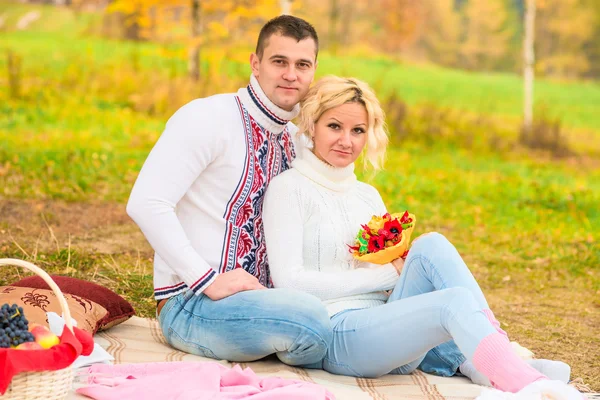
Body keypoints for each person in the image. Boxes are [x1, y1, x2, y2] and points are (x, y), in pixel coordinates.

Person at [262, 75, 580, 397]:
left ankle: (489, 358)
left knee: (431, 244)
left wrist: (394, 272)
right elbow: (291, 283)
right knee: (452, 302)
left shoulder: (367, 195)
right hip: (340, 334)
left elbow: (391, 272)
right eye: (334, 127)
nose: (347, 140)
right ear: (311, 125)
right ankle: (524, 384)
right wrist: (385, 275)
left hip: (388, 320)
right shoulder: (289, 189)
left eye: (358, 130)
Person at [126, 15, 333, 366]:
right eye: (279, 61)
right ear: (255, 63)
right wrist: (206, 280)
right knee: (313, 320)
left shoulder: (296, 141)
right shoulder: (208, 117)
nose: (291, 74)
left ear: (313, 71)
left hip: (270, 302)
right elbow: (147, 202)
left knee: (372, 314)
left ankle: (457, 358)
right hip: (193, 304)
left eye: (302, 65)